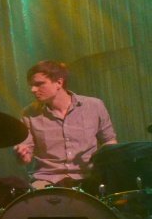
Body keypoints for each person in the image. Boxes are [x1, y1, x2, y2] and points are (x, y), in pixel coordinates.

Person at [13, 60, 116, 189]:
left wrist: (106, 166)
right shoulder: (29, 114)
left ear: (59, 82)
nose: (33, 90)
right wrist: (22, 155)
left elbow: (109, 141)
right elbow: (26, 156)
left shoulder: (94, 106)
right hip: (47, 179)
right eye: (31, 85)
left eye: (39, 84)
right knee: (36, 198)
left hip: (88, 177)